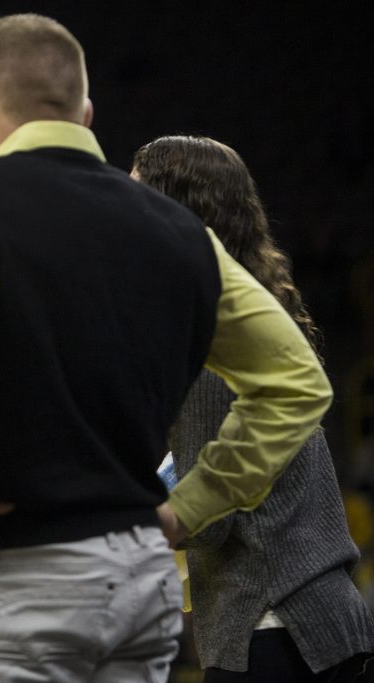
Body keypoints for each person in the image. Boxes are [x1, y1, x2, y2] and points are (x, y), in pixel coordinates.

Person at [0, 13, 333, 683]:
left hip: (18, 576)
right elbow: (299, 383)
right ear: (85, 113)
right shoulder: (179, 229)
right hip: (142, 583)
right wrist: (189, 508)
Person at [132, 134, 374, 682]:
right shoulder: (258, 318)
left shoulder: (209, 337)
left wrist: (116, 518)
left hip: (271, 631)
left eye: (138, 199)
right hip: (327, 625)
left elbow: (209, 521)